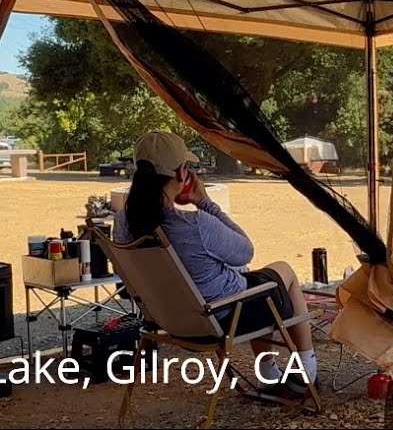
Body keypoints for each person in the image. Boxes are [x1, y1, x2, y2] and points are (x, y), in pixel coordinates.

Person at [113, 130, 318, 392]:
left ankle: (269, 374)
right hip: (221, 318)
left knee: (254, 281)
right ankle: (306, 371)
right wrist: (205, 203)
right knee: (280, 274)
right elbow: (245, 250)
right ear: (181, 173)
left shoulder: (122, 223)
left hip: (168, 321)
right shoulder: (195, 225)